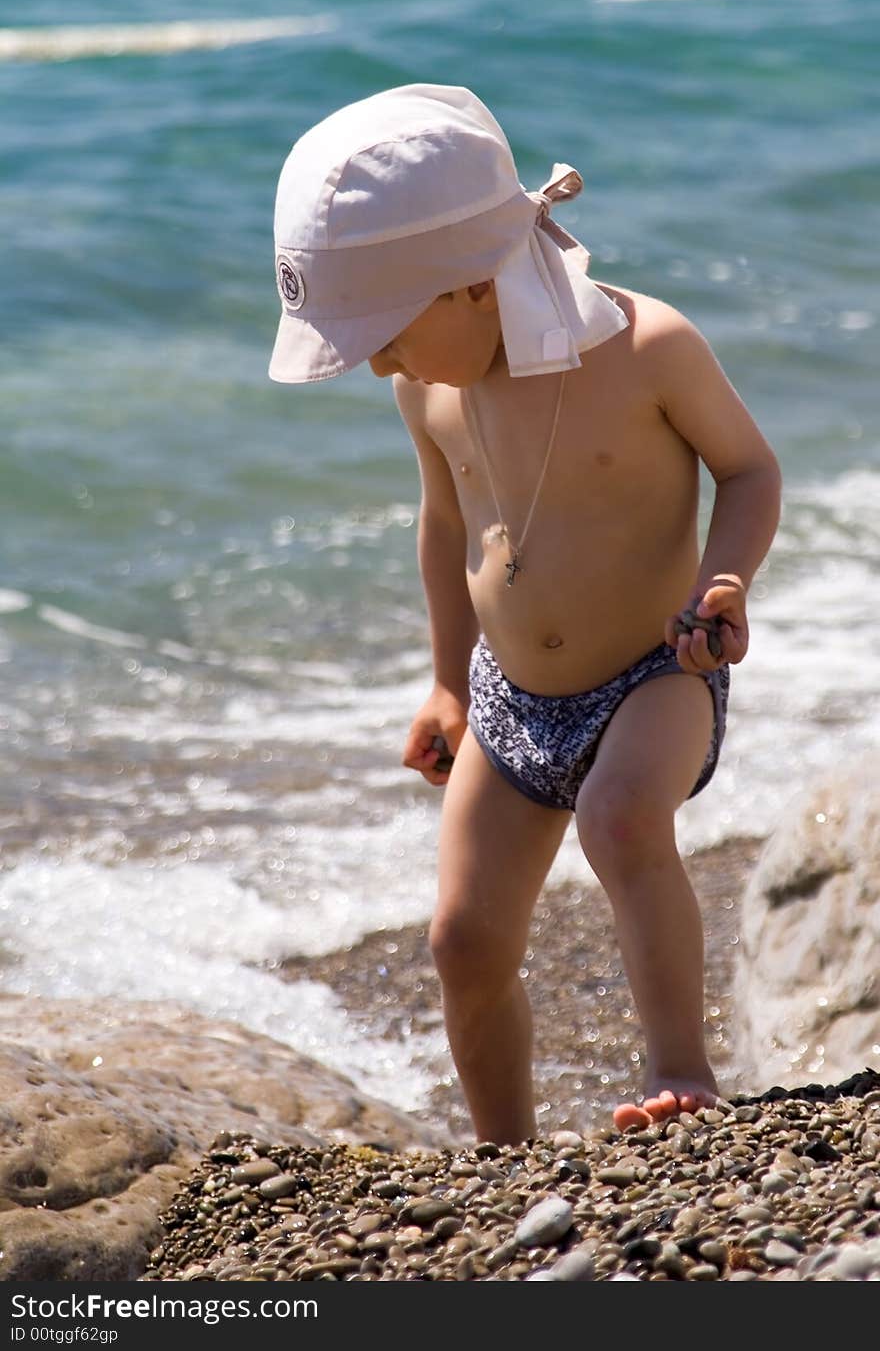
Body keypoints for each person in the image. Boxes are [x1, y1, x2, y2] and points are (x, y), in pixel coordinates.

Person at [268, 84, 782, 1142]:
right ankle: (503, 1148)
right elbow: (446, 528)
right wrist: (450, 683)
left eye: (385, 331)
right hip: (508, 701)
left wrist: (723, 583)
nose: (376, 361)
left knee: (623, 821)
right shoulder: (428, 384)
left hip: (653, 670)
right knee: (460, 935)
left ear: (467, 284)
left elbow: (748, 470)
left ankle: (682, 1074)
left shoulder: (646, 350)